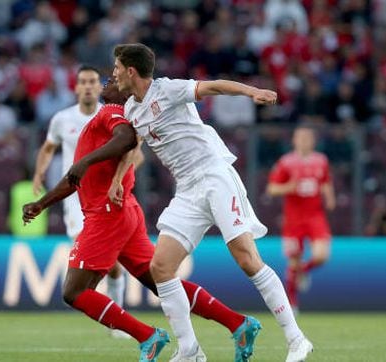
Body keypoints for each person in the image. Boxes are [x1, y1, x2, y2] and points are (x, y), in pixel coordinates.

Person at [24, 80, 262, 362]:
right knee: (162, 282)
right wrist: (43, 203)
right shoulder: (107, 118)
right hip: (124, 212)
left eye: (114, 77)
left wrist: (85, 162)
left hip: (107, 214)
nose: (108, 80)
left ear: (125, 90)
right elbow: (76, 177)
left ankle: (146, 336)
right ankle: (238, 323)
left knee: (75, 291)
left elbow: (125, 139)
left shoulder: (111, 110)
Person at [110, 43, 312, 362]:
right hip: (188, 189)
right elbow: (134, 148)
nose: (114, 73)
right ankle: (190, 351)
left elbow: (214, 85)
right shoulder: (132, 110)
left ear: (131, 70)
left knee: (246, 258)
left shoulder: (169, 90)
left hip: (213, 175)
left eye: (117, 67)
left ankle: (296, 338)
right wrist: (119, 177)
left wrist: (252, 92)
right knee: (160, 267)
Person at [32, 66, 129, 338]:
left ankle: (116, 315)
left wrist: (120, 177)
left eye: (92, 82)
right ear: (75, 88)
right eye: (83, 82)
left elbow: (129, 150)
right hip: (74, 199)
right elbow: (49, 147)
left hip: (103, 195)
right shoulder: (62, 119)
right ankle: (112, 315)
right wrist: (39, 172)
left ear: (100, 87)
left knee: (114, 266)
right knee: (98, 258)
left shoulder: (109, 115)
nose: (87, 86)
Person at [267, 125, 335, 312]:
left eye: (308, 138)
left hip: (315, 215)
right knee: (293, 260)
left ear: (313, 141)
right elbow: (272, 188)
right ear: (294, 140)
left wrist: (329, 196)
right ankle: (292, 302)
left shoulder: (321, 160)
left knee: (322, 255)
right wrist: (289, 187)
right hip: (294, 219)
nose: (304, 141)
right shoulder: (286, 162)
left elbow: (326, 181)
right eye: (300, 137)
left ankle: (302, 272)